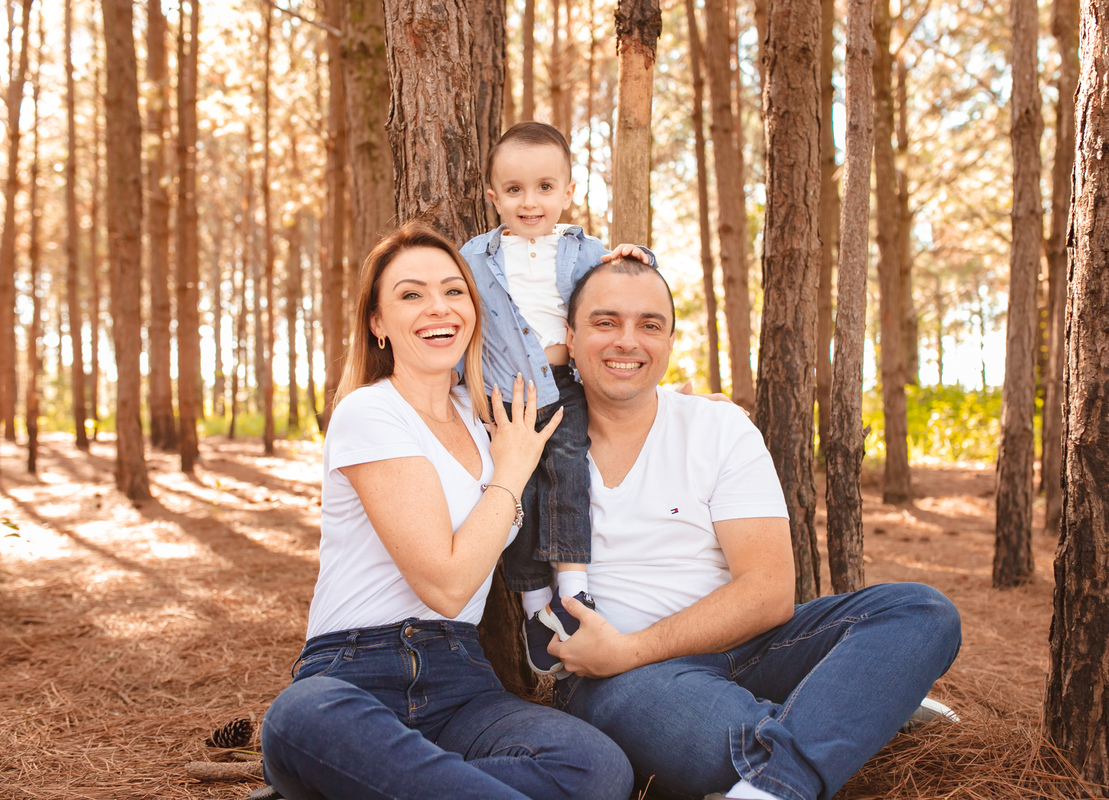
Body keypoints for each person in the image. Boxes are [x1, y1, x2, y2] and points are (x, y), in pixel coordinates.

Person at [547, 258, 963, 800]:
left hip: (753, 647)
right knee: (719, 746)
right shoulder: (536, 440)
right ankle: (852, 713)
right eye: (606, 322)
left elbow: (769, 594)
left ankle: (774, 777)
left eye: (649, 325)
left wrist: (630, 648)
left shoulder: (717, 427)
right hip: (625, 679)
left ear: (670, 341)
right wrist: (622, 658)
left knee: (922, 611)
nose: (628, 341)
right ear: (570, 337)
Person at [259, 222, 633, 800]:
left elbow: (604, 398)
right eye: (411, 294)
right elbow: (447, 584)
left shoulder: (492, 415)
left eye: (454, 290)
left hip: (461, 680)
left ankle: (365, 786)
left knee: (595, 767)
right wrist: (510, 472)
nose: (439, 307)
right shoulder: (369, 412)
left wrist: (685, 407)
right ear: (377, 324)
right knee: (303, 716)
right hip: (352, 676)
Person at [459, 121, 654, 675]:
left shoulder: (583, 249)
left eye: (546, 187)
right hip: (505, 395)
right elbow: (458, 315)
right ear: (493, 197)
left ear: (568, 193)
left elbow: (628, 276)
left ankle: (572, 590)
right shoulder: (475, 255)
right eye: (514, 189)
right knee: (514, 495)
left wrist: (638, 256)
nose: (530, 201)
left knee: (569, 478)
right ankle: (532, 606)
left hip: (564, 385)